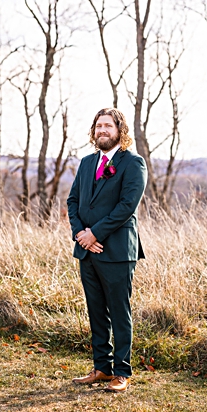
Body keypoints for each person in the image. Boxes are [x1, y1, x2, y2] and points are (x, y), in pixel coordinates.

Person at [65, 108, 147, 396]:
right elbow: (72, 201)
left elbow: (127, 207)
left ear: (119, 130)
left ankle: (122, 372)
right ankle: (102, 367)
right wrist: (81, 235)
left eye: (107, 126)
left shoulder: (133, 163)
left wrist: (95, 233)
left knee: (119, 311)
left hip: (116, 251)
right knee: (96, 311)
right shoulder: (87, 163)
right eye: (98, 126)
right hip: (87, 251)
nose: (102, 130)